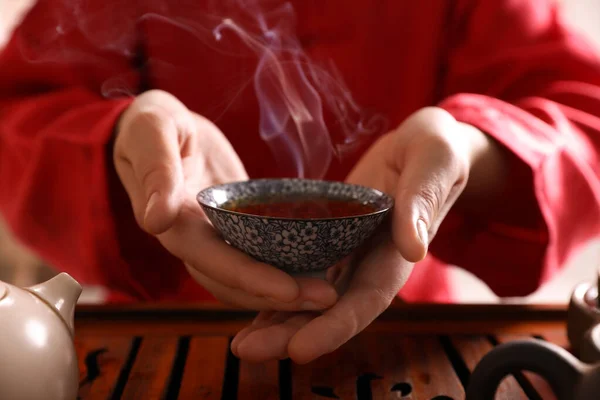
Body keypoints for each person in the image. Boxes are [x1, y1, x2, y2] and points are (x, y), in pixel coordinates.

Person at [0, 0, 599, 364]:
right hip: (171, 319)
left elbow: (582, 117)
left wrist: (470, 146)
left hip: (407, 314)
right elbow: (20, 116)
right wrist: (129, 138)